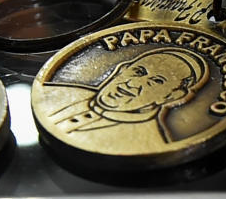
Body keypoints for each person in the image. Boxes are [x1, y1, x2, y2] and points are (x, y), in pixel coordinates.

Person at [48, 48, 208, 151]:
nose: (133, 84)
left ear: (172, 96)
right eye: (138, 71)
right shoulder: (56, 91)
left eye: (156, 81)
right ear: (121, 69)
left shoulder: (148, 144)